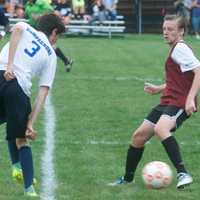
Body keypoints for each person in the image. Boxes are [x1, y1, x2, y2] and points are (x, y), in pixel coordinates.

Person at [108, 14, 200, 189]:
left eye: (170, 29)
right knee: (138, 137)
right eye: (164, 29)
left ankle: (183, 173)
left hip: (179, 102)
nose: (165, 32)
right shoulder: (176, 48)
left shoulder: (180, 48)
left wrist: (190, 99)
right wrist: (159, 88)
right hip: (168, 99)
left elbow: (198, 71)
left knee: (161, 128)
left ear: (181, 31)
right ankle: (127, 179)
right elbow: (181, 78)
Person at [0, 13, 65, 197]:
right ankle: (29, 189)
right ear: (53, 31)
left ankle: (16, 166)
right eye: (58, 35)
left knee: (9, 119)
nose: (56, 40)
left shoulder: (25, 26)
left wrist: (10, 64)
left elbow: (17, 30)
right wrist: (30, 123)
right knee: (21, 138)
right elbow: (43, 92)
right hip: (18, 88)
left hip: (0, 74)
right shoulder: (51, 55)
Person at [25, 0, 73, 72]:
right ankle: (66, 61)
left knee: (48, 45)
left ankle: (64, 61)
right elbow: (28, 15)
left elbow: (51, 10)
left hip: (42, 27)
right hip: (33, 27)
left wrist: (40, 16)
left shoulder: (41, 2)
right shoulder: (27, 5)